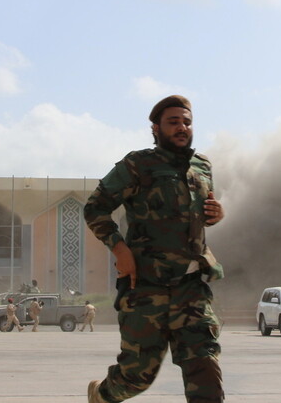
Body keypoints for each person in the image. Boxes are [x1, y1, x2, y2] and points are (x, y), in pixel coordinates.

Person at [84, 95, 226, 403]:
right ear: (155, 128)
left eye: (187, 122)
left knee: (204, 368)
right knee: (136, 378)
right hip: (147, 287)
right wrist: (119, 248)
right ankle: (101, 393)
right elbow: (95, 208)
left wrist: (216, 214)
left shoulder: (202, 166)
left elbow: (199, 212)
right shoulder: (138, 164)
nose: (182, 128)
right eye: (173, 122)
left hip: (191, 288)